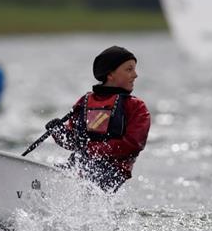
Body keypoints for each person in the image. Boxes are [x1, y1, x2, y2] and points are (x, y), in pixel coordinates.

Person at [46, 46, 151, 192]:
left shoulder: (136, 107)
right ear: (110, 74)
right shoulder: (84, 101)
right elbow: (73, 142)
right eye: (129, 69)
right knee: (52, 175)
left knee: (84, 178)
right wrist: (58, 132)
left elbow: (133, 144)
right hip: (80, 165)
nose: (135, 75)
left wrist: (92, 150)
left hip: (112, 172)